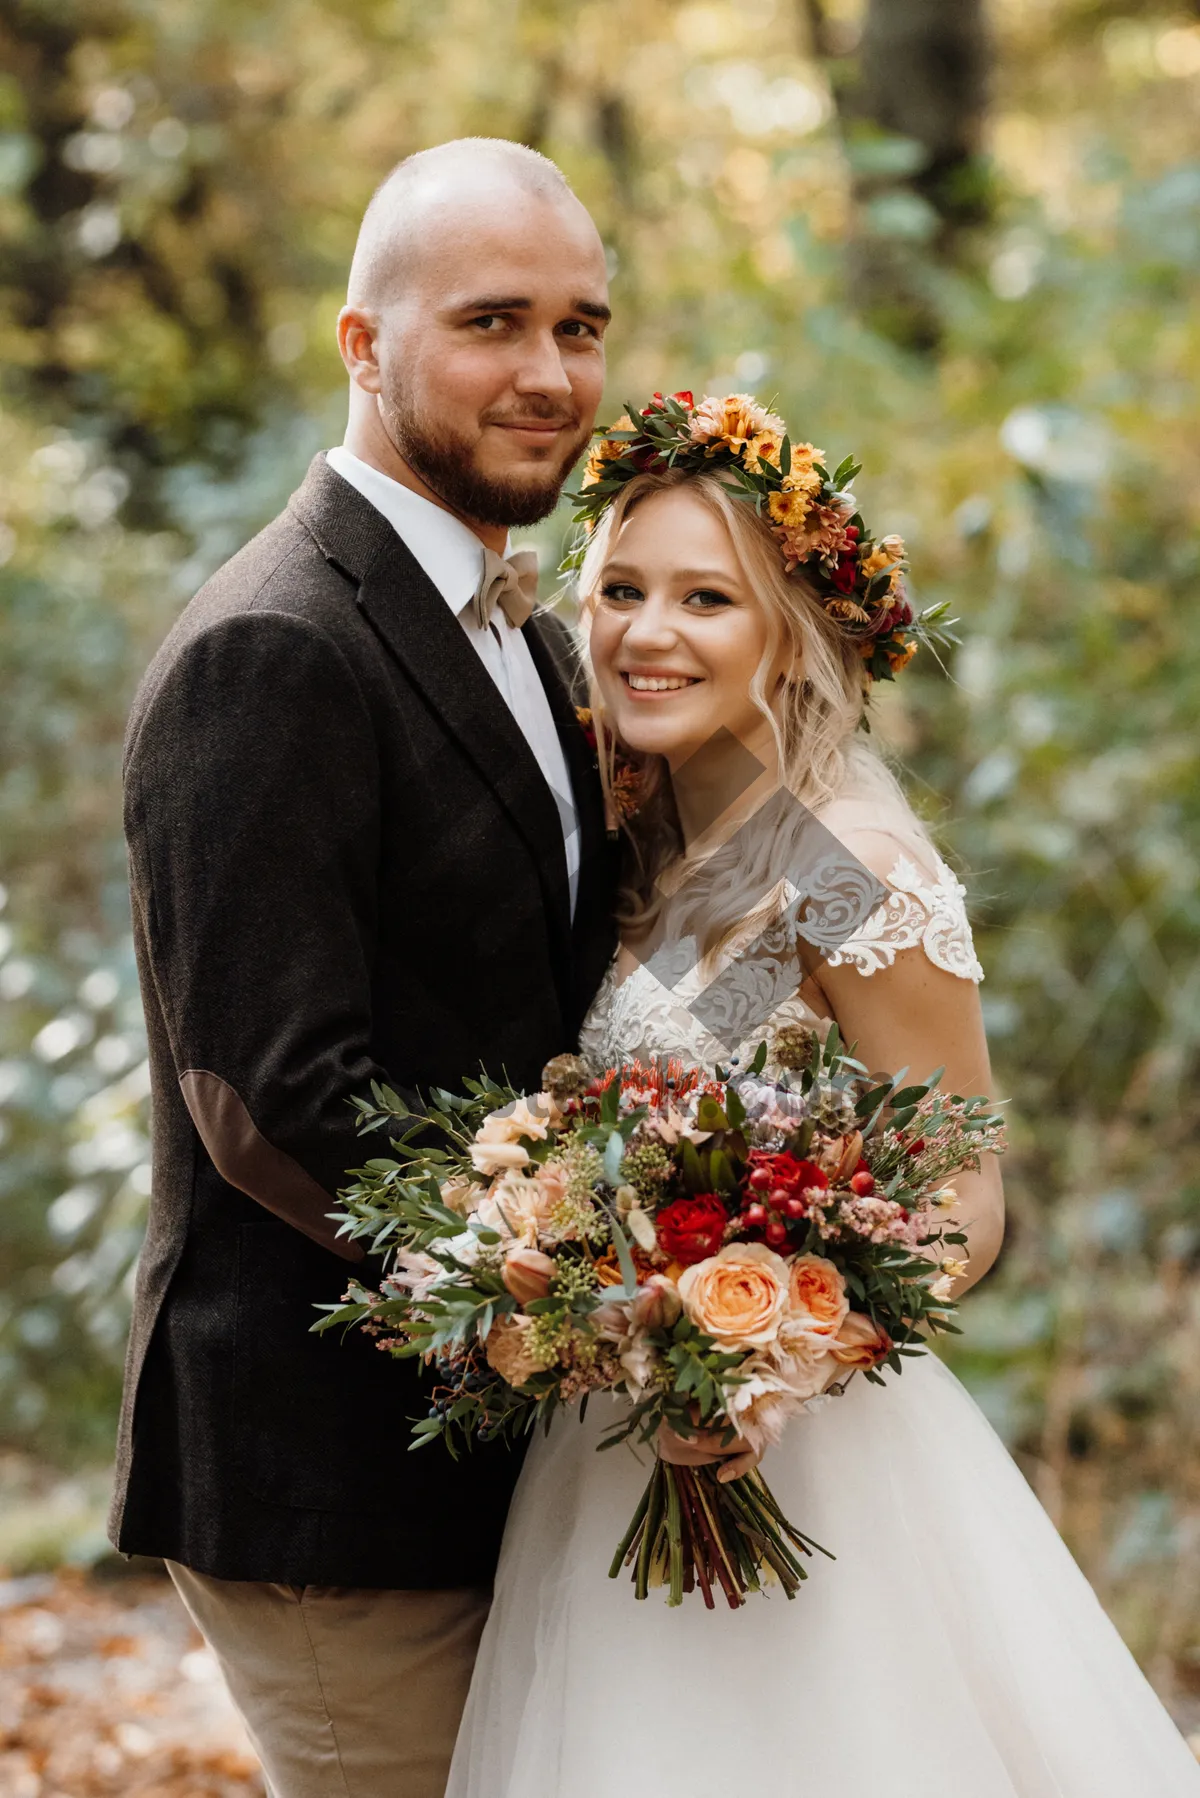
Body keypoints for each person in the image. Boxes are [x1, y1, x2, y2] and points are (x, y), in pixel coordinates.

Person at [446, 395, 1200, 1796]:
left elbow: (967, 1192)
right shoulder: (658, 840)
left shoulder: (846, 860)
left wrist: (775, 1357)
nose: (644, 632)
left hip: (804, 1468)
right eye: (619, 588)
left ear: (791, 630)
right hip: (611, 1453)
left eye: (704, 598)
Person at [108, 138, 618, 1798]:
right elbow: (269, 1094)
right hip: (331, 1462)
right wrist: (575, 1291)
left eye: (582, 325)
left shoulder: (528, 632)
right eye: (491, 321)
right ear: (361, 342)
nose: (549, 375)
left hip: (502, 1459)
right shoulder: (275, 645)